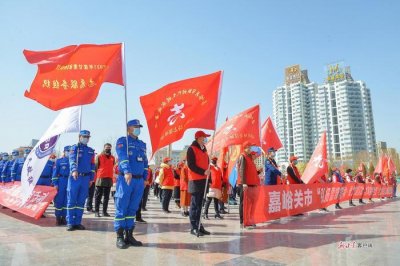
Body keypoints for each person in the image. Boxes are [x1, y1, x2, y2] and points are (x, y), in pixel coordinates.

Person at [114, 119, 148, 249]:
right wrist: (127, 171)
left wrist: (145, 178)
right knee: (122, 207)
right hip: (126, 179)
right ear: (129, 128)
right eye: (135, 126)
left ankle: (129, 235)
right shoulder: (123, 141)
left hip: (139, 181)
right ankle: (120, 236)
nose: (138, 128)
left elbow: (144, 162)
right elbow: (122, 157)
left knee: (132, 208)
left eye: (139, 127)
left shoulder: (142, 144)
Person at [66, 130, 95, 231]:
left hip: (86, 178)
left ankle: (77, 222)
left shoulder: (91, 150)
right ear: (79, 137)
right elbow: (72, 160)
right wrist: (74, 170)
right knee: (72, 200)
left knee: (81, 201)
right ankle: (70, 222)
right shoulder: (75, 148)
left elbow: (92, 165)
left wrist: (92, 178)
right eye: (84, 136)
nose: (86, 138)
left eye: (87, 137)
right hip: (75, 177)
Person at [186, 130, 211, 237]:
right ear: (198, 138)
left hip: (204, 180)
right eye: (204, 137)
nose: (205, 139)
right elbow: (191, 165)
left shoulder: (204, 151)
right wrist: (203, 172)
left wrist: (209, 180)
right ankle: (193, 227)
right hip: (195, 180)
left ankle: (199, 225)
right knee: (195, 205)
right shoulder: (191, 149)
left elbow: (208, 167)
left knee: (201, 204)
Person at [237, 142, 261, 228]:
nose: (250, 149)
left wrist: (258, 172)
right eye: (249, 148)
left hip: (250, 185)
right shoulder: (242, 156)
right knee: (243, 203)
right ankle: (242, 221)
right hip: (244, 184)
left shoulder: (249, 158)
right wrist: (243, 183)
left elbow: (251, 172)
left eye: (251, 148)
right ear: (245, 148)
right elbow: (241, 171)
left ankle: (248, 220)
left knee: (249, 204)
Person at [94, 143, 115, 217]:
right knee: (98, 196)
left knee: (106, 196)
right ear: (104, 148)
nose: (108, 148)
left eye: (109, 147)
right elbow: (96, 168)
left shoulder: (113, 157)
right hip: (100, 178)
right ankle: (96, 211)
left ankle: (104, 211)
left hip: (109, 178)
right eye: (107, 147)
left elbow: (112, 166)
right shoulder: (99, 156)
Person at [52, 146, 70, 226]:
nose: (69, 152)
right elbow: (55, 173)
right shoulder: (59, 161)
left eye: (70, 151)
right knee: (59, 200)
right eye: (67, 151)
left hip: (70, 181)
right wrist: (55, 184)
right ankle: (58, 218)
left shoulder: (74, 161)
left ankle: (64, 217)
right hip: (61, 181)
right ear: (64, 151)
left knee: (67, 200)